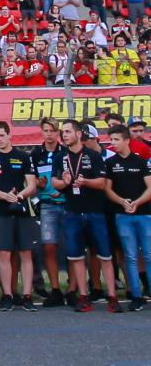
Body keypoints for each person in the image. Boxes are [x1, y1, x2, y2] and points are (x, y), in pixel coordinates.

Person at [53, 119, 123, 313]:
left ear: (78, 134)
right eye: (63, 132)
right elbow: (54, 183)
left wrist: (85, 182)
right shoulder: (60, 157)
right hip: (72, 213)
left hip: (95, 212)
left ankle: (112, 296)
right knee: (75, 256)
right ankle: (83, 296)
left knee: (105, 255)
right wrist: (65, 182)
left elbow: (102, 183)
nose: (64, 135)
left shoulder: (93, 155)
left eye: (68, 131)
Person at [0, 120, 39, 312]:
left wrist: (20, 196)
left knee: (25, 253)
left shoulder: (23, 156)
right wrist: (5, 196)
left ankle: (28, 295)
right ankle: (7, 294)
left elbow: (31, 184)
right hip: (0, 210)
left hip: (23, 209)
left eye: (1, 136)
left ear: (9, 135)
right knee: (4, 253)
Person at [104, 124, 151, 311]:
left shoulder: (140, 162)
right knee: (130, 256)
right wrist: (123, 202)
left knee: (149, 255)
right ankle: (136, 295)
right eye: (111, 140)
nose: (113, 143)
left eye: (116, 139)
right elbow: (107, 189)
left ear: (126, 140)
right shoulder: (110, 163)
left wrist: (137, 203)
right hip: (122, 216)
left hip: (145, 214)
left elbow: (150, 187)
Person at [32, 118, 68, 306]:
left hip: (68, 203)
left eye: (52, 130)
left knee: (73, 247)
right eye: (46, 130)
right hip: (47, 204)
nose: (49, 134)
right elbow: (30, 181)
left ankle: (73, 289)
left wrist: (62, 187)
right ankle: (55, 289)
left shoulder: (66, 152)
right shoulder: (36, 153)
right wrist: (38, 183)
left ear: (58, 132)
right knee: (49, 246)